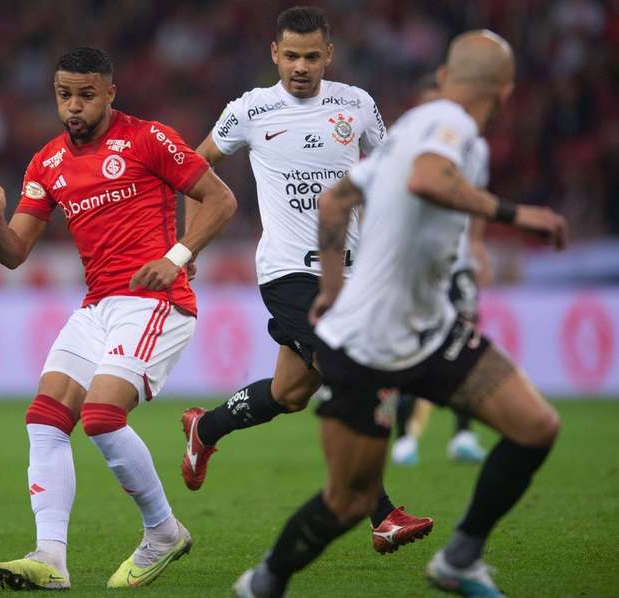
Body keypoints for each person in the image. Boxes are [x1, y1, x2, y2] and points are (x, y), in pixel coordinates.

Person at [233, 30, 566, 598]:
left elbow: (336, 198)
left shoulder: (415, 126)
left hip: (429, 332)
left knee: (536, 426)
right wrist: (518, 214)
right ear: (506, 91)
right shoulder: (451, 129)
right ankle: (265, 582)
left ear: (443, 77)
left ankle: (459, 559)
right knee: (350, 500)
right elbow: (427, 179)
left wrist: (332, 288)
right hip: (369, 344)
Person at [0, 47, 236, 590]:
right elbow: (15, 253)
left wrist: (176, 257)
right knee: (44, 419)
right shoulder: (46, 163)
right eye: (65, 95)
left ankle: (163, 532)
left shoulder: (148, 139)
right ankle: (50, 558)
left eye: (86, 94)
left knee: (103, 417)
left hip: (157, 301)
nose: (74, 106)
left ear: (110, 92)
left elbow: (220, 198)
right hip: (98, 308)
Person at [180, 5, 432, 554]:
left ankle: (206, 429)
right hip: (288, 272)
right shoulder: (250, 109)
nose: (300, 66)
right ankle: (382, 515)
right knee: (349, 378)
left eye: (311, 56)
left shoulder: (357, 105)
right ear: (274, 53)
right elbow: (192, 171)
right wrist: (186, 246)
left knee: (290, 392)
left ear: (328, 56)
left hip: (351, 274)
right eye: (291, 55)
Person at [391, 73, 491, 467]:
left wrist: (478, 243)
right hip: (418, 267)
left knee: (465, 347)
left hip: (459, 263)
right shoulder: (406, 145)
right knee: (412, 351)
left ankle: (463, 434)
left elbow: (477, 198)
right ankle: (404, 439)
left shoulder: (475, 147)